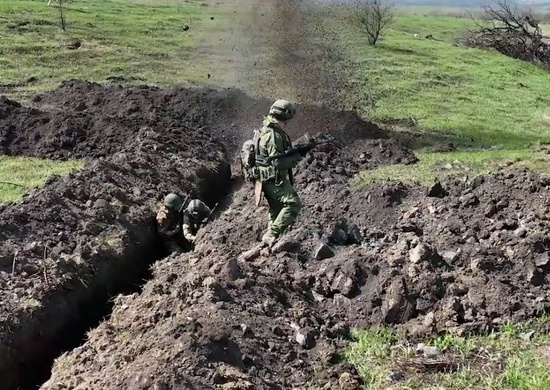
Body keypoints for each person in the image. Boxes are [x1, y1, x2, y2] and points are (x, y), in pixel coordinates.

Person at [255, 99, 304, 246]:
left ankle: (267, 244)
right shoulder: (274, 135)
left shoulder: (266, 129)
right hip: (273, 179)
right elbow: (277, 162)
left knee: (276, 211)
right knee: (293, 203)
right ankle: (271, 234)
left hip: (267, 180)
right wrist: (296, 158)